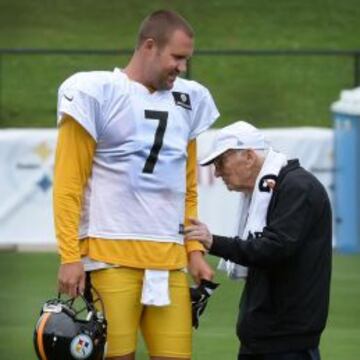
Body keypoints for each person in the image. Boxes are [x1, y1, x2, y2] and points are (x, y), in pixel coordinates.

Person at [53, 10, 220, 360]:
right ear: (149, 46)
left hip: (169, 259)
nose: (183, 68)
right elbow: (69, 183)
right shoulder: (97, 91)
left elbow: (186, 185)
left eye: (186, 59)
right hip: (109, 255)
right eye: (177, 57)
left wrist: (193, 252)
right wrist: (70, 255)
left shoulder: (189, 100)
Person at [185, 121, 332, 360]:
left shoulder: (297, 187)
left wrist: (214, 242)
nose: (217, 172)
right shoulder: (278, 187)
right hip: (267, 336)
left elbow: (274, 248)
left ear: (249, 157)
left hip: (286, 340)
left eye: (221, 162)